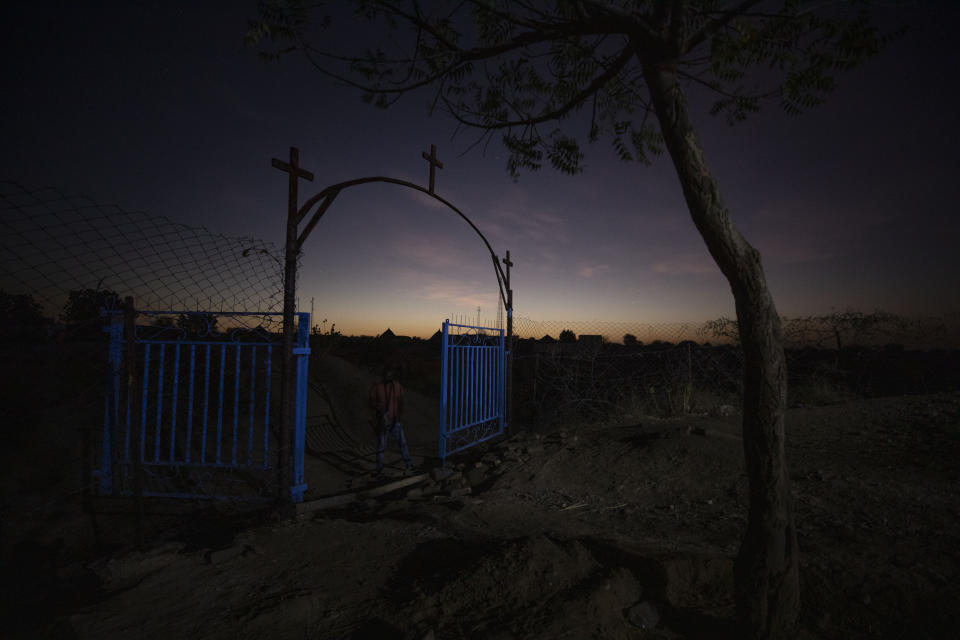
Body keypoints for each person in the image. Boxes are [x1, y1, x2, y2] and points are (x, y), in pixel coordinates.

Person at [369, 365, 412, 478]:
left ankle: (408, 465)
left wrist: (399, 414)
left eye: (390, 375)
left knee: (402, 443)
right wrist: (380, 409)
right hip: (384, 421)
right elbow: (371, 402)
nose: (388, 377)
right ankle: (379, 469)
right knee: (382, 446)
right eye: (386, 375)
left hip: (394, 420)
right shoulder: (377, 387)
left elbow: (401, 401)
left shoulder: (396, 386)